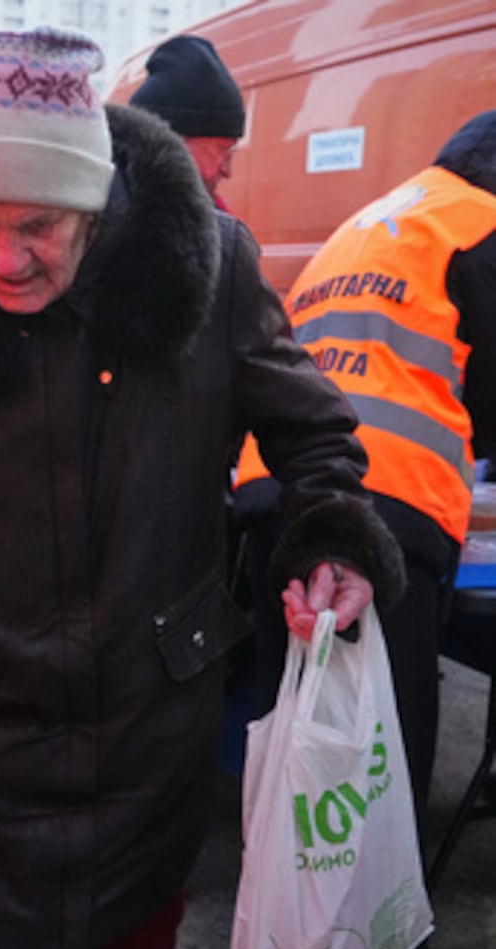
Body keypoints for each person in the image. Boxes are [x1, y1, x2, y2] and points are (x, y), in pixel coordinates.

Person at [0, 28, 405, 949]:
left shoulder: (208, 267)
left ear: (94, 202)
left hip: (148, 721)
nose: (6, 260)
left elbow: (312, 435)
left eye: (39, 226)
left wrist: (332, 543)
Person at [234, 109, 496, 840]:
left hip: (273, 483)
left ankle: (287, 921)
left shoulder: (381, 216)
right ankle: (366, 939)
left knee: (293, 715)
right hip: (384, 501)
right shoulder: (481, 226)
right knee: (380, 730)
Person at [129, 34, 244, 210]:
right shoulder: (93, 223)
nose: (228, 171)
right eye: (223, 150)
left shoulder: (222, 229)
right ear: (174, 145)